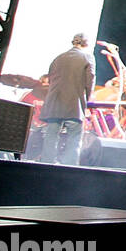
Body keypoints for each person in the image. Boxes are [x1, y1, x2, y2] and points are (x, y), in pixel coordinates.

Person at [39, 33, 95, 165]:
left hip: (55, 102)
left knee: (51, 135)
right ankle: (69, 168)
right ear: (86, 44)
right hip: (73, 104)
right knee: (74, 137)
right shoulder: (87, 57)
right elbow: (90, 81)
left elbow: (51, 79)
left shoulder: (59, 57)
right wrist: (87, 100)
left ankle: (46, 165)